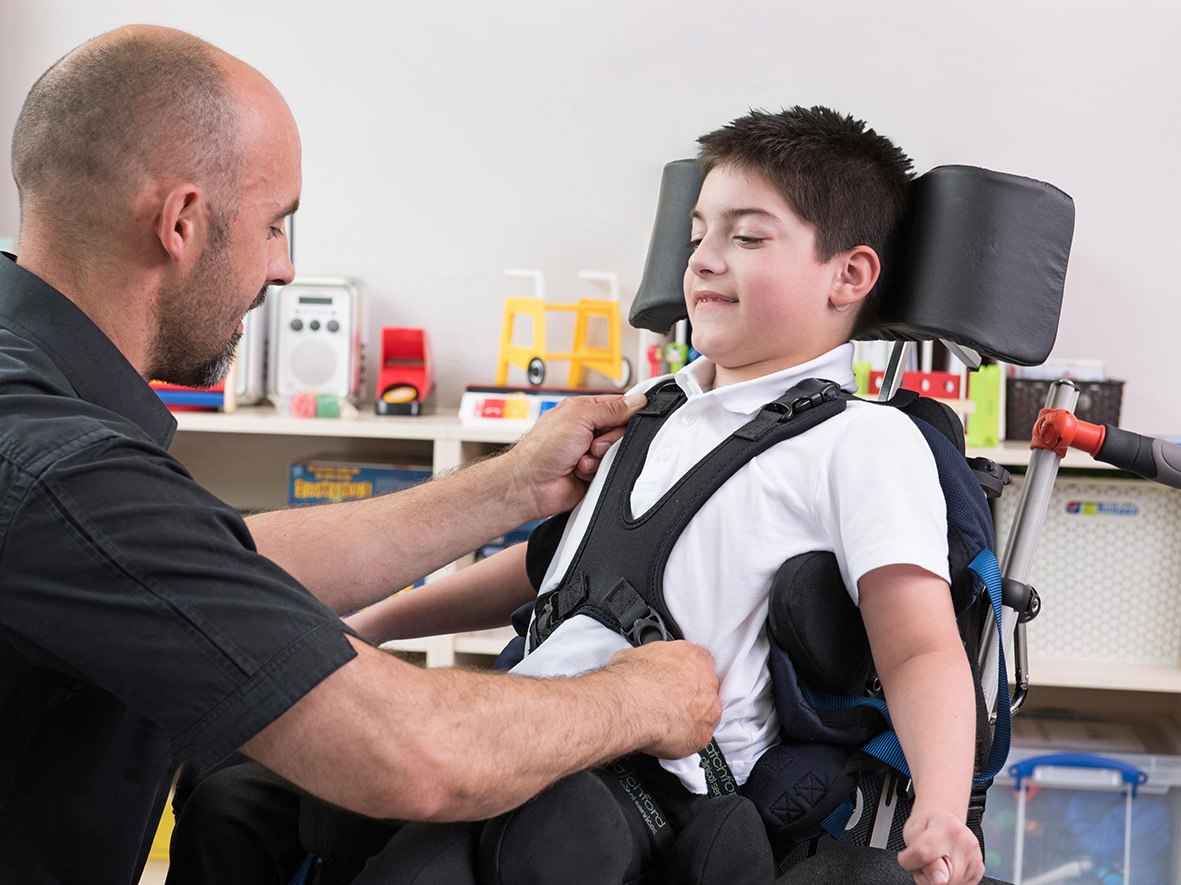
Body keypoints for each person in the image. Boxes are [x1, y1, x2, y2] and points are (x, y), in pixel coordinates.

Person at [0, 25, 723, 885]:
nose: (281, 269)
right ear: (182, 222)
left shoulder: (39, 412)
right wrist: (641, 696)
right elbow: (410, 753)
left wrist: (513, 484)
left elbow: (189, 567)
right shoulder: (59, 466)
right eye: (275, 226)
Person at [341, 106, 990, 885]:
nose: (705, 261)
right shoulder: (647, 406)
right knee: (295, 806)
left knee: (541, 841)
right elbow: (557, 570)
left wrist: (941, 807)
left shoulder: (864, 443)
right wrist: (373, 622)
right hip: (522, 728)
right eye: (695, 236)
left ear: (847, 275)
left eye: (746, 237)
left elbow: (919, 647)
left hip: (660, 778)